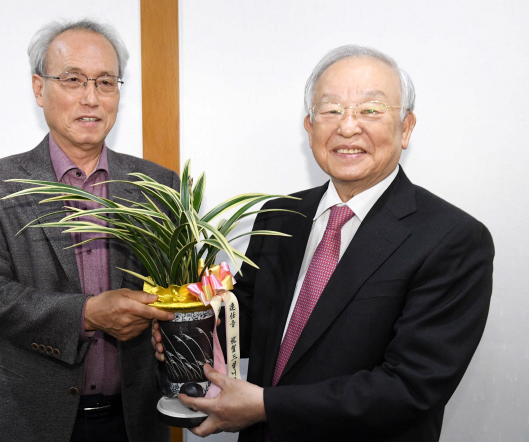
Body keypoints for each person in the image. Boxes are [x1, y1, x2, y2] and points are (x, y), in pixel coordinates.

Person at [152, 45, 494, 441]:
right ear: (309, 127)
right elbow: (246, 322)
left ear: (406, 127)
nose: (348, 127)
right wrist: (188, 328)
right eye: (331, 110)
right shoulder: (280, 215)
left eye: (370, 110)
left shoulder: (452, 238)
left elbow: (411, 387)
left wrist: (265, 406)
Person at [0, 19, 178, 442]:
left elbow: (177, 289)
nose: (91, 98)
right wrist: (88, 313)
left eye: (106, 82)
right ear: (40, 89)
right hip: (27, 417)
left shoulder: (159, 185)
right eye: (73, 80)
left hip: (134, 421)